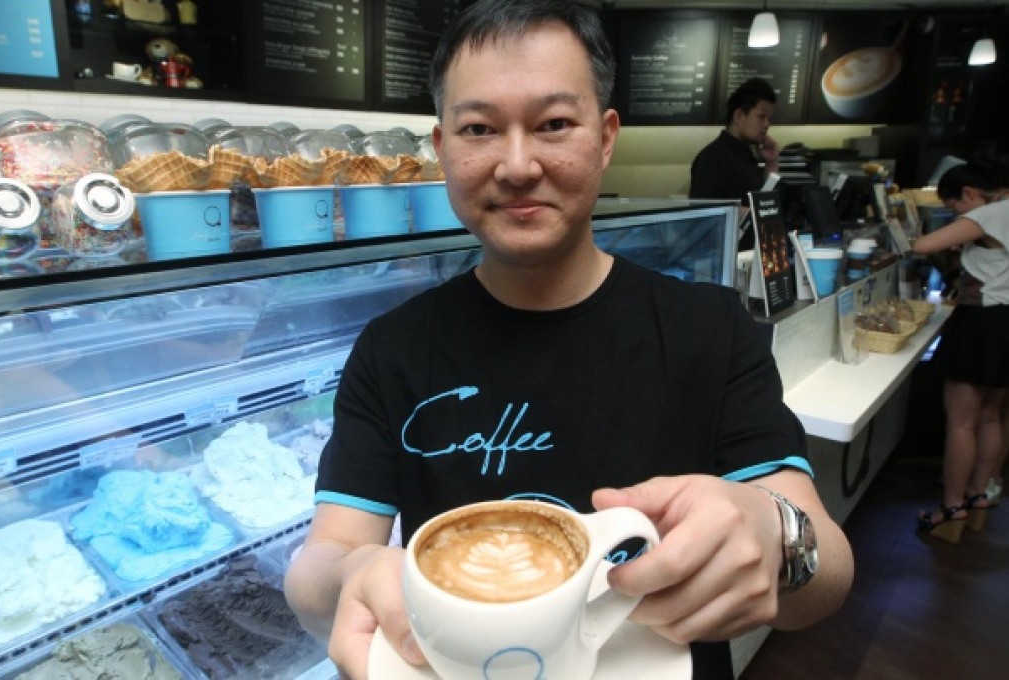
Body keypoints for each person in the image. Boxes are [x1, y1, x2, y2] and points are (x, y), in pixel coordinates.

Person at [284, 2, 853, 679]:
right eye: (479, 129)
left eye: (554, 124)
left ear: (606, 136)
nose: (518, 165)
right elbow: (320, 563)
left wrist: (776, 531)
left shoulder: (709, 327)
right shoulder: (392, 349)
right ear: (442, 149)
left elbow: (828, 576)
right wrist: (353, 573)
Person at [912, 152, 1009, 541]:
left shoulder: (989, 214)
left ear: (969, 193)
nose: (956, 215)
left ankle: (950, 509)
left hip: (982, 323)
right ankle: (978, 497)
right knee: (990, 417)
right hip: (1006, 324)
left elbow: (922, 245)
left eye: (954, 207)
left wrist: (956, 228)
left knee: (962, 422)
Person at [690, 77, 781, 250]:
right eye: (761, 117)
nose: (766, 124)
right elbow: (702, 213)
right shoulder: (711, 157)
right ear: (739, 116)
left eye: (769, 118)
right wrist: (744, 213)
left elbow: (766, 202)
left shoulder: (749, 154)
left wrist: (772, 164)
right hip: (722, 257)